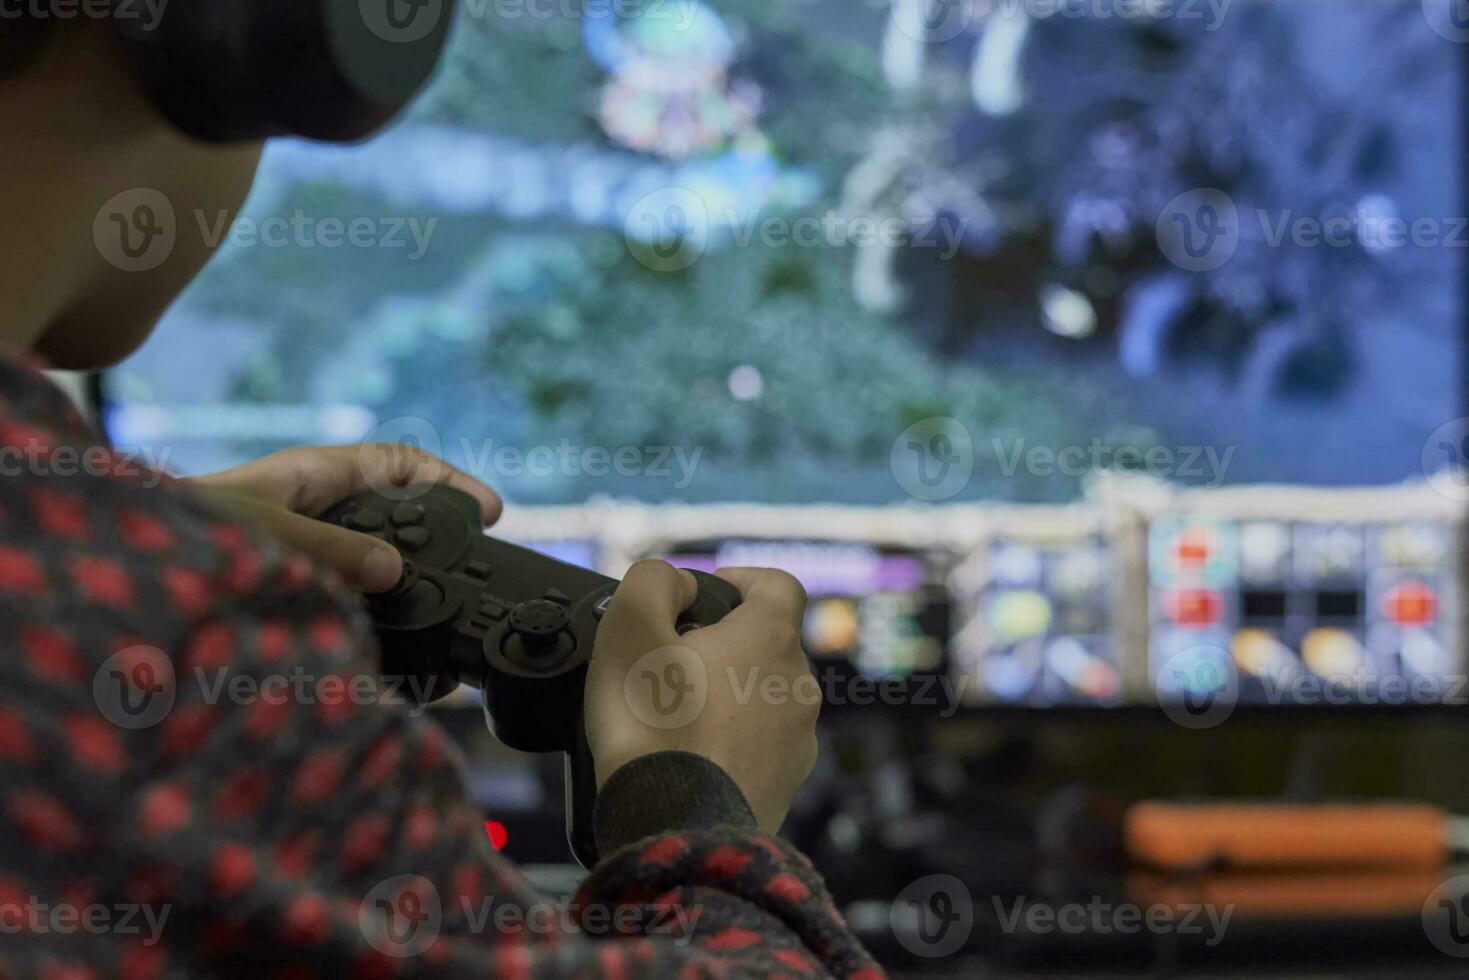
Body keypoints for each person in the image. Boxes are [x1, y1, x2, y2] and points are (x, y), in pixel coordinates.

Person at [0, 17, 883, 979]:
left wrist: (144, 535)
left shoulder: (84, 563)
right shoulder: (179, 630)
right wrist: (698, 809)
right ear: (232, 39)